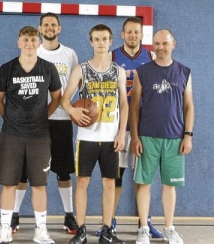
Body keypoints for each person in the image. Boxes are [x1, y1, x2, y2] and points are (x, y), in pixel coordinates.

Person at [9, 12, 79, 235]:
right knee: (23, 173)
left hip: (61, 120)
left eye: (53, 25)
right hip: (33, 124)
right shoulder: (32, 52)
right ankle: (14, 214)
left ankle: (69, 215)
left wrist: (63, 106)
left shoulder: (69, 54)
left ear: (59, 29)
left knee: (63, 171)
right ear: (39, 29)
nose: (49, 27)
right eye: (46, 24)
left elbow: (73, 86)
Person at [95, 17, 163, 239]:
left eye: (137, 32)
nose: (133, 35)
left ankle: (145, 223)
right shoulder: (112, 56)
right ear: (122, 35)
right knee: (116, 176)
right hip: (118, 124)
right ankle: (109, 222)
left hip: (145, 125)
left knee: (143, 178)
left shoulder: (151, 57)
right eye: (129, 32)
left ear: (142, 35)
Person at [0, 26, 61, 244]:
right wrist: (11, 119)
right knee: (9, 183)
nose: (30, 43)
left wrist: (42, 117)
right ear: (18, 42)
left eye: (33, 39)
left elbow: (57, 98)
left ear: (39, 42)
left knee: (40, 184)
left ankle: (40, 230)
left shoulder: (48, 68)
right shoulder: (7, 69)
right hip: (12, 134)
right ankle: (5, 229)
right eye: (26, 39)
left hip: (39, 135)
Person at [62, 24, 128, 244]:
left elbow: (125, 105)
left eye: (105, 39)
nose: (101, 43)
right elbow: (64, 98)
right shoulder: (81, 69)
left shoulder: (118, 70)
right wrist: (71, 109)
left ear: (111, 42)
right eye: (97, 39)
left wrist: (121, 134)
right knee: (83, 182)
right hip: (86, 137)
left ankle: (107, 230)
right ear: (91, 42)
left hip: (111, 137)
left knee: (110, 183)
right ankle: (81, 230)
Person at [132, 29, 193, 244]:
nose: (160, 47)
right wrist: (135, 137)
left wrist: (188, 135)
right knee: (144, 184)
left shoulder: (184, 72)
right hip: (147, 136)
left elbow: (188, 106)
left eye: (164, 44)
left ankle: (169, 228)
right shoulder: (143, 72)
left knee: (170, 185)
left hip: (175, 137)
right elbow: (134, 107)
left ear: (173, 44)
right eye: (156, 44)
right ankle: (143, 229)